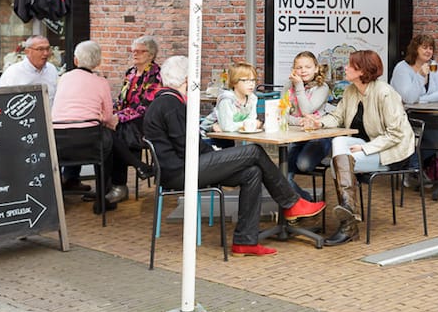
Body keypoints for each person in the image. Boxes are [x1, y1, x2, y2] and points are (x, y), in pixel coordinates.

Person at [143, 55, 324, 257]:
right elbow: (187, 147)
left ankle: (245, 241)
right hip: (181, 172)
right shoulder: (170, 104)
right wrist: (217, 156)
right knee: (253, 150)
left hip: (184, 167)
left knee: (252, 172)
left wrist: (218, 157)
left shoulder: (165, 101)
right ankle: (291, 202)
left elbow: (187, 144)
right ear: (187, 79)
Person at [310, 49, 415, 245]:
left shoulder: (384, 93)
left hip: (392, 152)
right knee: (338, 143)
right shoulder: (351, 91)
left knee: (338, 162)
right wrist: (320, 123)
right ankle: (350, 213)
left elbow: (396, 134)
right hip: (368, 144)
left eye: (350, 65)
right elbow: (338, 116)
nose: (346, 68)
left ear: (362, 71)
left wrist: (366, 149)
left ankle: (348, 225)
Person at [50, 40, 122, 212]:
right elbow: (106, 117)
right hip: (88, 143)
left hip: (58, 141)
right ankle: (101, 199)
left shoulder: (63, 79)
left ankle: (58, 200)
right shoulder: (101, 82)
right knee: (107, 146)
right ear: (98, 62)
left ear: (75, 60)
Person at [0, 34, 72, 186]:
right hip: (22, 127)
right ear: (28, 51)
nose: (46, 53)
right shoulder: (13, 73)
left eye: (47, 49)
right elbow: (4, 104)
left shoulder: (51, 70)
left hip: (50, 125)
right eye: (40, 49)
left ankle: (65, 182)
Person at [112, 35, 162, 189]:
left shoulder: (156, 74)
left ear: (151, 55)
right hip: (128, 120)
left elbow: (146, 106)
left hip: (145, 121)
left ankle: (118, 186)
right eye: (133, 51)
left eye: (140, 51)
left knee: (117, 132)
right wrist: (112, 114)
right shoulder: (131, 72)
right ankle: (138, 166)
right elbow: (121, 100)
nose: (135, 54)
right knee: (108, 132)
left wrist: (119, 118)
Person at [283, 51, 332, 179]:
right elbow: (282, 115)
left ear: (316, 69)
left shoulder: (322, 87)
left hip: (318, 137)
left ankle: (320, 156)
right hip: (296, 136)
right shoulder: (288, 86)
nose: (303, 70)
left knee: (303, 165)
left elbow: (307, 110)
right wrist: (299, 121)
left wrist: (299, 86)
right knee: (283, 172)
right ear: (294, 70)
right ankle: (304, 198)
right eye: (299, 67)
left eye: (308, 67)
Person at [390, 34, 438, 106]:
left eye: (431, 48)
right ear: (415, 49)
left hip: (432, 112)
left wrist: (420, 99)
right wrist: (420, 75)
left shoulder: (434, 65)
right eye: (424, 48)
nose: (428, 51)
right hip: (407, 113)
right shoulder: (402, 68)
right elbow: (409, 99)